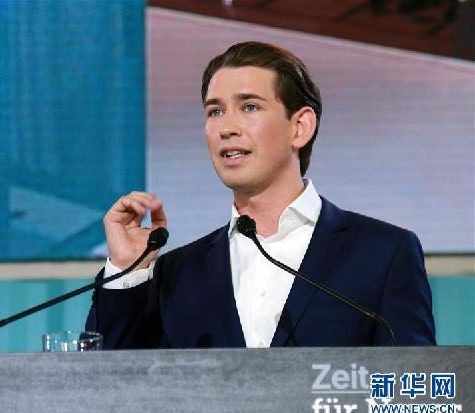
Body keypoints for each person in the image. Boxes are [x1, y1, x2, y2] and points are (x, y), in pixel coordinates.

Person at [85, 41, 436, 348]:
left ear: (300, 127)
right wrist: (126, 271)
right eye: (215, 111)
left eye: (249, 107)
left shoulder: (383, 253)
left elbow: (413, 390)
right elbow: (105, 384)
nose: (226, 128)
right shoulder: (175, 273)